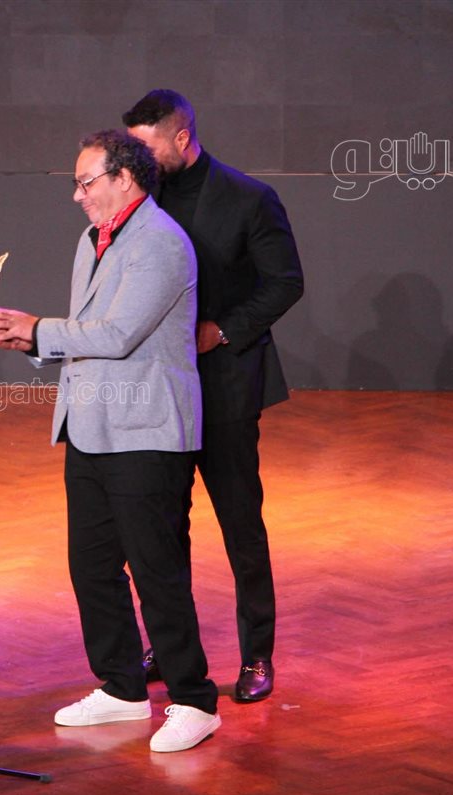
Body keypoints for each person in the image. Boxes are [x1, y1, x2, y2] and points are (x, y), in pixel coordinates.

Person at [0, 129, 219, 753]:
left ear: (125, 178)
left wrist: (39, 329)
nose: (78, 195)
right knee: (91, 565)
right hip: (91, 425)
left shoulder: (161, 242)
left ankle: (195, 699)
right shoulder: (92, 240)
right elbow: (85, 331)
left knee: (156, 569)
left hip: (147, 430)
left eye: (86, 182)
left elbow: (117, 334)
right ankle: (122, 687)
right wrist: (29, 340)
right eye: (76, 184)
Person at [123, 90, 305, 703]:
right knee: (160, 526)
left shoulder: (250, 197)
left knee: (239, 525)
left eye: (145, 147)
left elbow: (285, 283)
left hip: (224, 385)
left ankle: (257, 654)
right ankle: (171, 644)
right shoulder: (139, 197)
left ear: (181, 138)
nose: (135, 160)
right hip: (159, 387)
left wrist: (222, 329)